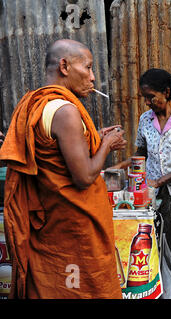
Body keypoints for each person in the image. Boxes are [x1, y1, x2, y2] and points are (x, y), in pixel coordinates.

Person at [0, 39, 126, 299]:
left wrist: (95, 140)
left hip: (50, 225)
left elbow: (59, 154)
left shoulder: (37, 105)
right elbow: (83, 177)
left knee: (54, 287)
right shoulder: (66, 111)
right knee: (81, 290)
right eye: (88, 68)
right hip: (74, 228)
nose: (92, 78)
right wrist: (107, 145)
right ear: (65, 66)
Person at [111, 68, 171, 290]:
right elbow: (142, 153)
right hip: (151, 195)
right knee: (153, 245)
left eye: (151, 97)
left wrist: (159, 182)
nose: (148, 102)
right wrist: (120, 166)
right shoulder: (145, 119)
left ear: (167, 92)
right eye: (145, 98)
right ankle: (158, 290)